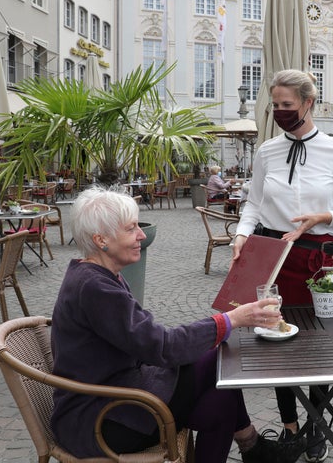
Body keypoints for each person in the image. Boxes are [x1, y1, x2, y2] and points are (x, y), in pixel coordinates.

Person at [50, 187, 299, 463]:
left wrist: (223, 325)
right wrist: (233, 319)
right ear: (101, 240)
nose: (142, 235)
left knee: (221, 402)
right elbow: (162, 346)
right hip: (99, 419)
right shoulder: (95, 287)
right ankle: (255, 448)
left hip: (118, 397)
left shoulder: (97, 275)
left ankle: (253, 446)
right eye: (132, 229)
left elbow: (147, 340)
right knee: (216, 355)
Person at [231, 69, 333, 462]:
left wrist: (323, 218)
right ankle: (291, 427)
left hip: (316, 258)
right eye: (275, 105)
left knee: (325, 344)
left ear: (308, 103)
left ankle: (315, 425)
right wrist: (241, 234)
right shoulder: (267, 150)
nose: (280, 111)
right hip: (271, 254)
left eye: (287, 105)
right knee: (277, 346)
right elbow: (253, 203)